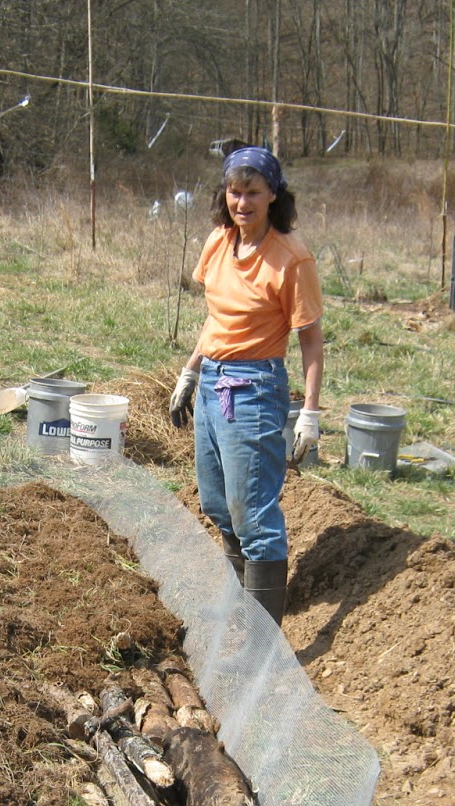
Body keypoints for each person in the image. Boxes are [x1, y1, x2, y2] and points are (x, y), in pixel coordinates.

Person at [168, 145, 324, 624]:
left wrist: (312, 412)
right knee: (218, 504)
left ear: (273, 195)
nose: (242, 203)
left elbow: (312, 342)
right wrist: (190, 371)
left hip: (253, 389)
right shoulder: (219, 241)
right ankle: (242, 610)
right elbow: (217, 318)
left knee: (254, 516)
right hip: (213, 380)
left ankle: (263, 643)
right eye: (235, 192)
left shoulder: (291, 259)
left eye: (253, 192)